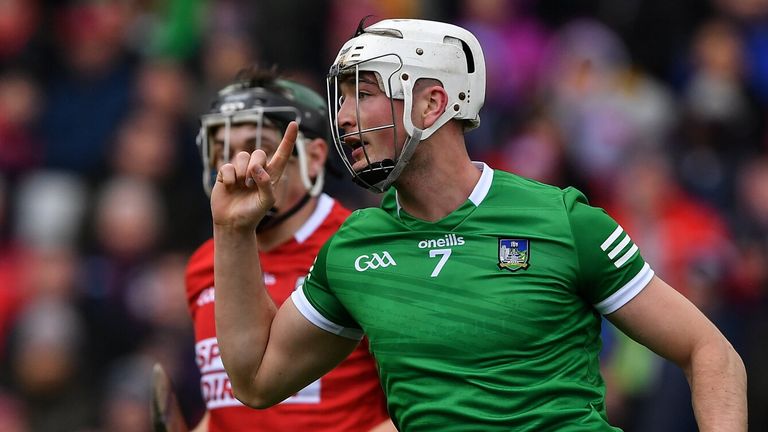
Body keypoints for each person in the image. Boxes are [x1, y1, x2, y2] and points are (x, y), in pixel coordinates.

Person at [210, 20, 747, 431]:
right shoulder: (352, 249)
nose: (344, 116)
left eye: (364, 92)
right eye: (341, 96)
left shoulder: (562, 219)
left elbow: (710, 352)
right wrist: (234, 233)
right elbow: (255, 380)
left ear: (433, 103)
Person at [185, 67, 393, 431]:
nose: (237, 166)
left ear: (314, 158)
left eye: (254, 146)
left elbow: (418, 406)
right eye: (222, 151)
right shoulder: (205, 261)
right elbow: (224, 409)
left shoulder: (366, 250)